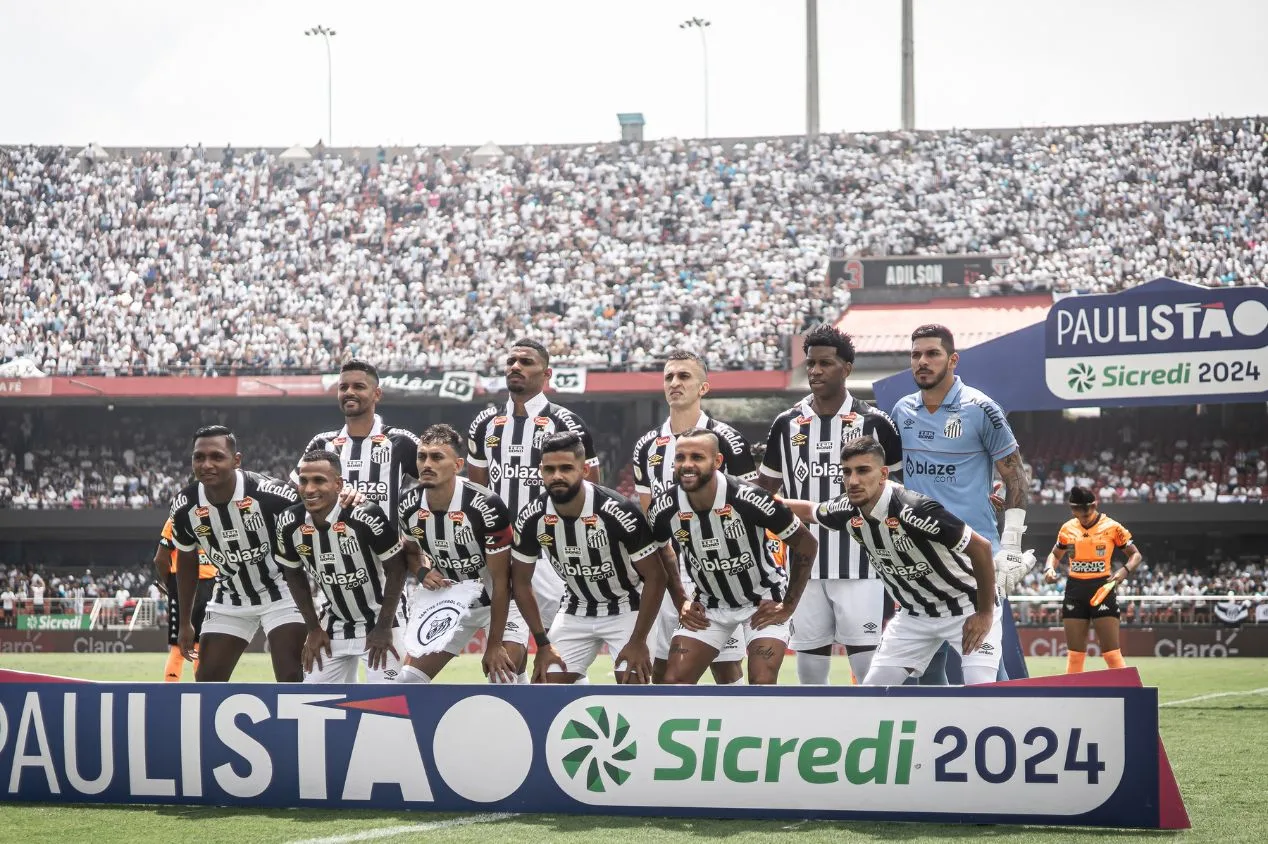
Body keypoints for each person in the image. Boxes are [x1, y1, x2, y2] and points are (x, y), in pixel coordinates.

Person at [784, 437, 1004, 685]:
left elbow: (981, 548)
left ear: (883, 474)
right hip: (915, 616)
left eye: (863, 470)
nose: (853, 480)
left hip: (966, 607)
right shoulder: (845, 510)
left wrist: (985, 613)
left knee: (982, 690)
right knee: (872, 697)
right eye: (847, 472)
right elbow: (808, 511)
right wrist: (755, 500)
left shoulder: (913, 509)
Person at [756, 325, 902, 685]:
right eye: (811, 364)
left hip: (862, 564)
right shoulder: (786, 424)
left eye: (826, 363)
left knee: (868, 671)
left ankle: (871, 736)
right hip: (802, 567)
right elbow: (764, 493)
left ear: (847, 368)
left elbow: (897, 494)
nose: (816, 371)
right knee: (809, 671)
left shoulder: (875, 423)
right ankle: (818, 735)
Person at [891, 324, 1033, 683]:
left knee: (984, 659)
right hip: (918, 555)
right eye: (916, 354)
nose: (922, 361)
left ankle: (1008, 732)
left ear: (952, 359)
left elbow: (1016, 476)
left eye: (932, 353)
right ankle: (934, 737)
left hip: (972, 554)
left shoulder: (981, 408)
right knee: (925, 666)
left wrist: (1012, 546)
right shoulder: (902, 410)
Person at [648, 428, 817, 685]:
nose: (687, 465)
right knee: (674, 681)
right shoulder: (663, 507)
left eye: (697, 457)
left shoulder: (750, 498)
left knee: (761, 681)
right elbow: (661, 549)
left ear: (717, 462)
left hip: (762, 602)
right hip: (710, 605)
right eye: (680, 457)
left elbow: (807, 543)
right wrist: (681, 598)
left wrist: (789, 605)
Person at [631, 349, 757, 684]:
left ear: (703, 388)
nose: (675, 383)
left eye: (684, 376)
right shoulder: (646, 446)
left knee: (726, 667)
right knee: (661, 668)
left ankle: (734, 734)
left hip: (719, 572)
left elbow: (752, 514)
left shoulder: (728, 441)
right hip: (669, 572)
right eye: (669, 377)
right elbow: (649, 519)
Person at [468, 340, 601, 645]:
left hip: (551, 555)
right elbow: (479, 494)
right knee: (505, 654)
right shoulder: (484, 424)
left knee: (562, 651)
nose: (516, 367)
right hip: (501, 555)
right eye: (511, 361)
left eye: (526, 362)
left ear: (547, 373)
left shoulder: (566, 424)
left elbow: (592, 490)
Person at [511, 432, 664, 684]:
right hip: (576, 608)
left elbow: (656, 577)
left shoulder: (618, 511)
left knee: (632, 681)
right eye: (549, 469)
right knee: (545, 684)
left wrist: (638, 641)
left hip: (628, 607)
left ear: (584, 470)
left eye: (566, 468)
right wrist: (543, 643)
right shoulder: (531, 518)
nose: (557, 476)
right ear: (540, 471)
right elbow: (521, 582)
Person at [169, 425, 307, 682]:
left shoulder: (271, 494)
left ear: (236, 460)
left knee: (291, 677)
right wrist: (185, 621)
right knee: (207, 683)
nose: (206, 464)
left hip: (281, 593)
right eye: (199, 457)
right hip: (230, 596)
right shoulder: (184, 505)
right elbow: (186, 561)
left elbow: (316, 518)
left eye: (217, 457)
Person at [395, 424, 527, 684]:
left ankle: (521, 685)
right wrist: (421, 571)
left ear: (457, 465)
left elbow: (502, 581)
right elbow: (410, 551)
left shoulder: (486, 505)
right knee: (407, 682)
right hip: (452, 603)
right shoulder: (408, 505)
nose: (427, 464)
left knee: (503, 677)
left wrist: (494, 644)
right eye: (422, 457)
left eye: (437, 457)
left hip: (500, 604)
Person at [275, 451, 409, 683]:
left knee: (387, 701)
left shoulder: (365, 514)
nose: (309, 489)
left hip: (383, 620)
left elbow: (397, 569)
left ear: (338, 484)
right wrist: (313, 628)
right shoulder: (288, 522)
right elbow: (292, 573)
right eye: (304, 480)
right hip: (334, 622)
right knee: (312, 700)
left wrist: (385, 626)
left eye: (319, 480)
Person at [295, 358, 424, 576]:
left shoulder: (400, 442)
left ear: (377, 394)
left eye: (359, 386)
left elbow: (439, 482)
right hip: (335, 569)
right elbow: (296, 495)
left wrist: (419, 544)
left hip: (387, 568)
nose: (349, 392)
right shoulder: (322, 443)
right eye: (343, 387)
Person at [1044, 486, 1142, 673]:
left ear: (1095, 504)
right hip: (1074, 591)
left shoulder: (1112, 527)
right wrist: (1050, 568)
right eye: (1080, 510)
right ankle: (1073, 700)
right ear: (1073, 509)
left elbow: (1135, 555)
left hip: (1102, 589)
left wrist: (1125, 571)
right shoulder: (1067, 529)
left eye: (1089, 508)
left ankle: (1129, 696)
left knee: (1111, 653)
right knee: (1074, 655)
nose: (1086, 513)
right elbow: (1055, 555)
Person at [153, 517, 218, 682]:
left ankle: (170, 692)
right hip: (209, 585)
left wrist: (173, 586)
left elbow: (160, 560)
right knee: (201, 645)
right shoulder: (215, 513)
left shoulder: (176, 518)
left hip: (183, 583)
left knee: (180, 646)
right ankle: (203, 691)